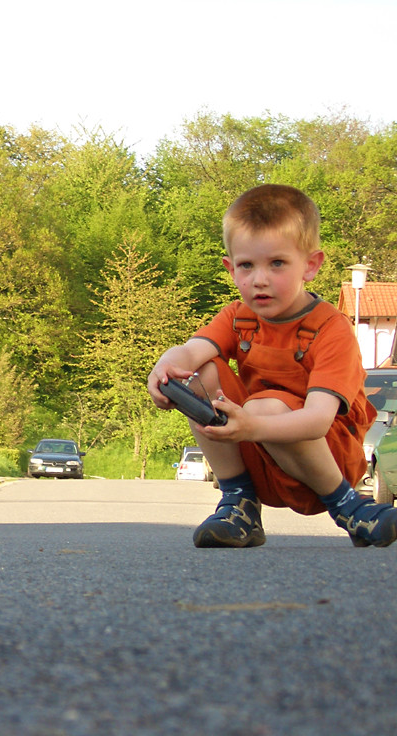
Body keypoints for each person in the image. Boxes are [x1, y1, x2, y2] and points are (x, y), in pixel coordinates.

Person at [147, 184, 397, 548]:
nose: (259, 279)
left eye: (277, 263)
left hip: (326, 463)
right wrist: (165, 367)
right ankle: (240, 502)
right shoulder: (238, 316)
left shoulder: (331, 328)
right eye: (247, 265)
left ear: (310, 265)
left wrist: (252, 424)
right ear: (231, 269)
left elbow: (317, 420)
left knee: (264, 403)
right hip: (257, 450)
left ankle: (350, 507)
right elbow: (191, 351)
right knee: (201, 371)